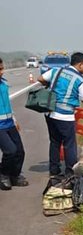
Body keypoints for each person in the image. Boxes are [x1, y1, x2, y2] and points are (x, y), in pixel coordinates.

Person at [38, 52, 83, 176]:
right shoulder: (80, 80)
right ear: (80, 64)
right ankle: (70, 172)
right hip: (65, 116)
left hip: (49, 113)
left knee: (54, 142)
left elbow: (40, 79)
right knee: (69, 145)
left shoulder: (56, 70)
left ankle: (54, 170)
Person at [0, 58, 29, 190]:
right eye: (0, 69)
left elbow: (8, 105)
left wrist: (15, 120)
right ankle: (4, 174)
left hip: (9, 123)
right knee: (10, 151)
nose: (2, 71)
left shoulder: (4, 84)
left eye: (2, 68)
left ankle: (15, 175)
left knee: (20, 152)